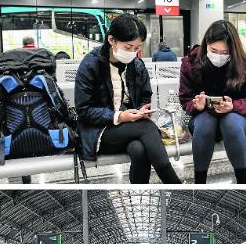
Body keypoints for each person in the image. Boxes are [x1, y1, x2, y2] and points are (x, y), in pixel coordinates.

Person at [74, 13, 181, 184]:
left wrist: (142, 110)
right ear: (111, 40)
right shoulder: (90, 65)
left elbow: (145, 94)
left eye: (137, 47)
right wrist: (119, 117)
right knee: (146, 128)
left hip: (131, 126)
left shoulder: (136, 64)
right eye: (128, 46)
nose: (133, 52)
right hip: (98, 131)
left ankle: (140, 198)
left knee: (139, 150)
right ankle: (176, 185)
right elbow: (84, 110)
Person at [179, 20, 246, 184]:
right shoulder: (191, 62)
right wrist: (196, 105)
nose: (218, 56)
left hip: (237, 118)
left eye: (225, 53)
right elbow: (185, 98)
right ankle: (199, 182)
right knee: (205, 122)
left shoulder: (245, 64)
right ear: (206, 44)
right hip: (203, 117)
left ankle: (243, 183)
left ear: (233, 50)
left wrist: (234, 106)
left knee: (230, 121)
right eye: (213, 50)